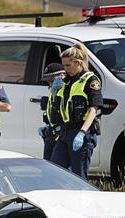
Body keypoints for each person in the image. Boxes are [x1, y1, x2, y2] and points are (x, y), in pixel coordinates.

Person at [50, 44, 103, 179]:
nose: (65, 69)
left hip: (81, 132)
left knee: (79, 176)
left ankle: (84, 199)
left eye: (68, 65)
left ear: (79, 63)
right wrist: (54, 91)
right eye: (64, 65)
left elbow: (93, 109)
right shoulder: (66, 81)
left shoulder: (91, 81)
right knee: (55, 172)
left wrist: (82, 132)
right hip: (64, 132)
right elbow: (59, 106)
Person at [38, 63, 66, 161]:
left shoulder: (65, 90)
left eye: (51, 81)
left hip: (61, 134)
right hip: (51, 134)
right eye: (48, 82)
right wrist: (48, 126)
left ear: (62, 76)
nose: (50, 84)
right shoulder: (53, 91)